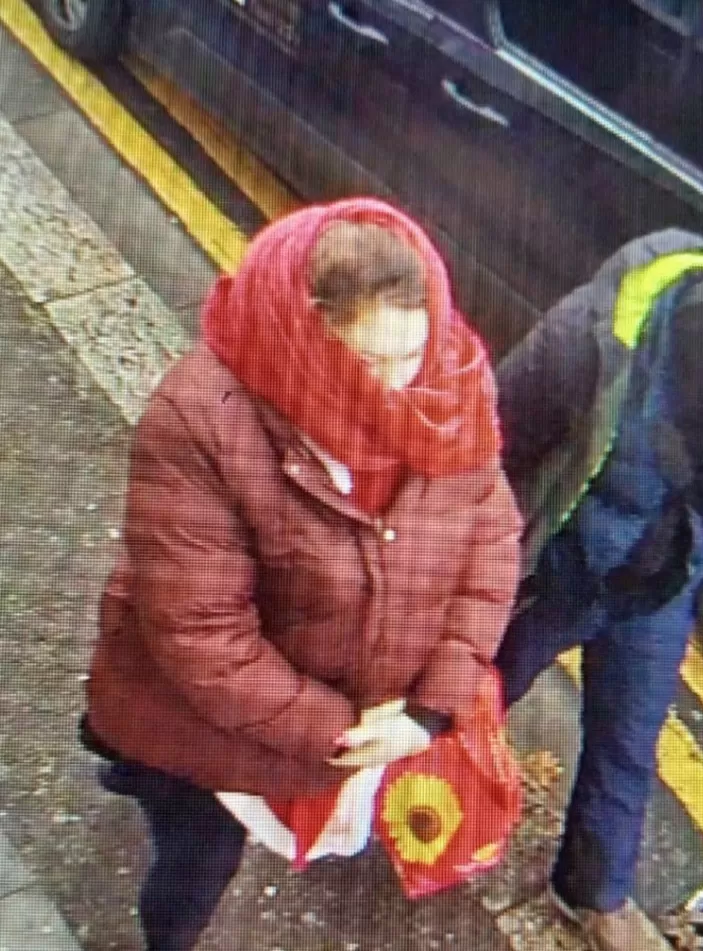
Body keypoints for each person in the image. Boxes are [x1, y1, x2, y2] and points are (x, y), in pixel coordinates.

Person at [79, 198, 522, 951]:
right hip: (201, 729)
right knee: (197, 864)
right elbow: (202, 635)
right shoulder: (198, 420)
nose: (398, 389)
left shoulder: (451, 390)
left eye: (411, 353)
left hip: (348, 724)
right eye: (368, 361)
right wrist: (346, 734)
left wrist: (429, 707)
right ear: (303, 335)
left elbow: (493, 537)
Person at [494, 228, 703, 951]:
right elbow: (494, 448)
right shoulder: (585, 340)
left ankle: (593, 890)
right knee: (474, 695)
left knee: (628, 742)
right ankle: (384, 797)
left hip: (657, 585)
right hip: (561, 568)